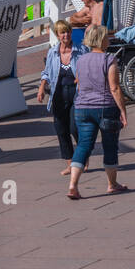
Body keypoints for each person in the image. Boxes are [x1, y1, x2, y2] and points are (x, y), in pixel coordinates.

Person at [67, 24, 128, 199]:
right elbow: (114, 87)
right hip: (105, 107)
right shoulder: (109, 59)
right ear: (101, 40)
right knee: (109, 145)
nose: (109, 39)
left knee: (84, 145)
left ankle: (73, 185)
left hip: (82, 108)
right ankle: (112, 184)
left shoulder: (81, 60)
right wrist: (123, 110)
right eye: (106, 36)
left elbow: (78, 81)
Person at [37, 21, 81, 176]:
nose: (66, 35)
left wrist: (81, 79)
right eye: (62, 33)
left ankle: (82, 157)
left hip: (76, 95)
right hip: (58, 94)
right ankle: (71, 163)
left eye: (68, 32)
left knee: (74, 128)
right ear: (57, 35)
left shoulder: (81, 50)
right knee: (61, 130)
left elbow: (87, 68)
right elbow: (47, 72)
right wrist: (42, 88)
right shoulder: (53, 53)